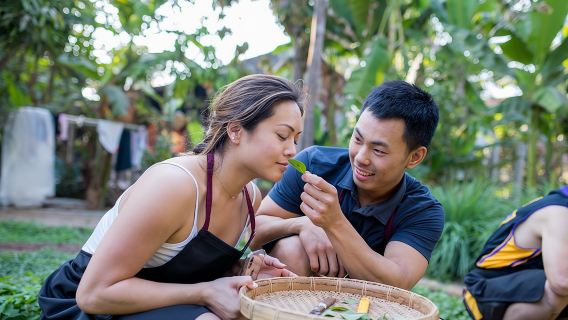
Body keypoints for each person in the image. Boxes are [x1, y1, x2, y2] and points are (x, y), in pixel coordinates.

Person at [38, 74, 304, 320]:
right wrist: (204, 291)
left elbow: (179, 266)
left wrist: (240, 269)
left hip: (156, 299)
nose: (292, 150)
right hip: (86, 304)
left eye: (296, 139)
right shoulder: (174, 184)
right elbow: (93, 295)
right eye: (282, 135)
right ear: (235, 131)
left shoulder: (250, 197)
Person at [251, 80, 444, 290]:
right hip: (299, 295)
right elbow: (252, 231)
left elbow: (396, 284)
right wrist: (300, 224)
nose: (361, 158)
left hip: (366, 307)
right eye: (358, 139)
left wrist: (333, 223)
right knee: (292, 249)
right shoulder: (314, 165)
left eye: (378, 150)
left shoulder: (422, 210)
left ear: (414, 157)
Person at [463, 186, 568, 320]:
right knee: (559, 290)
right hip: (489, 288)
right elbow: (562, 282)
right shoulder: (559, 212)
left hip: (521, 283)